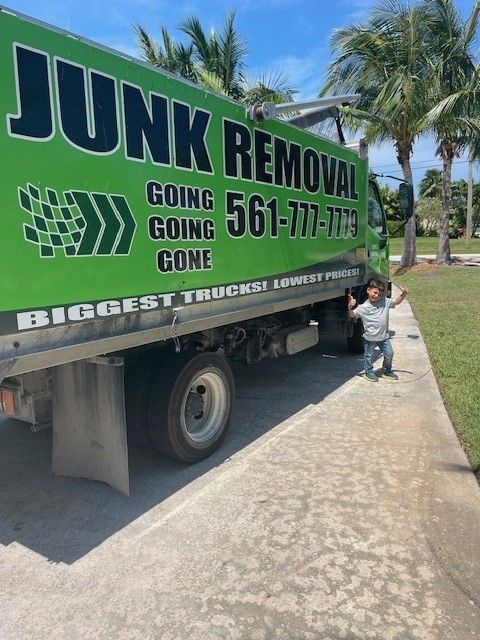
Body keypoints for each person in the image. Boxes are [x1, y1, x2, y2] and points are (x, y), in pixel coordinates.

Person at [347, 278, 409, 382]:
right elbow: (352, 315)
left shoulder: (385, 302)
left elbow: (396, 301)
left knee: (389, 353)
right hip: (370, 338)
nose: (377, 296)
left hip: (384, 337)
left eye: (379, 294)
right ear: (368, 290)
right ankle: (368, 372)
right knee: (368, 356)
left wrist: (403, 294)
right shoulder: (363, 308)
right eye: (375, 292)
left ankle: (386, 370)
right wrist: (349, 307)